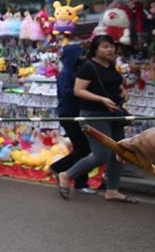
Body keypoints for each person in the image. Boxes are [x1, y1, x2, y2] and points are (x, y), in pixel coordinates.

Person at [57, 35, 137, 203]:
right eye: (105, 47)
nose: (110, 50)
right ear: (95, 50)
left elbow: (116, 85)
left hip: (114, 114)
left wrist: (123, 92)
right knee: (101, 154)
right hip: (94, 115)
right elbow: (79, 90)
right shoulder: (87, 67)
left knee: (120, 151)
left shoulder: (111, 66)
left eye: (112, 46)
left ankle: (113, 190)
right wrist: (101, 99)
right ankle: (66, 175)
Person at [49, 44, 94, 192]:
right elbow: (66, 92)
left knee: (82, 148)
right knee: (83, 148)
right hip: (69, 114)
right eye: (80, 54)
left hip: (78, 113)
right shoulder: (66, 73)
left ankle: (80, 182)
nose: (83, 57)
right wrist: (81, 90)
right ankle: (59, 168)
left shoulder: (77, 71)